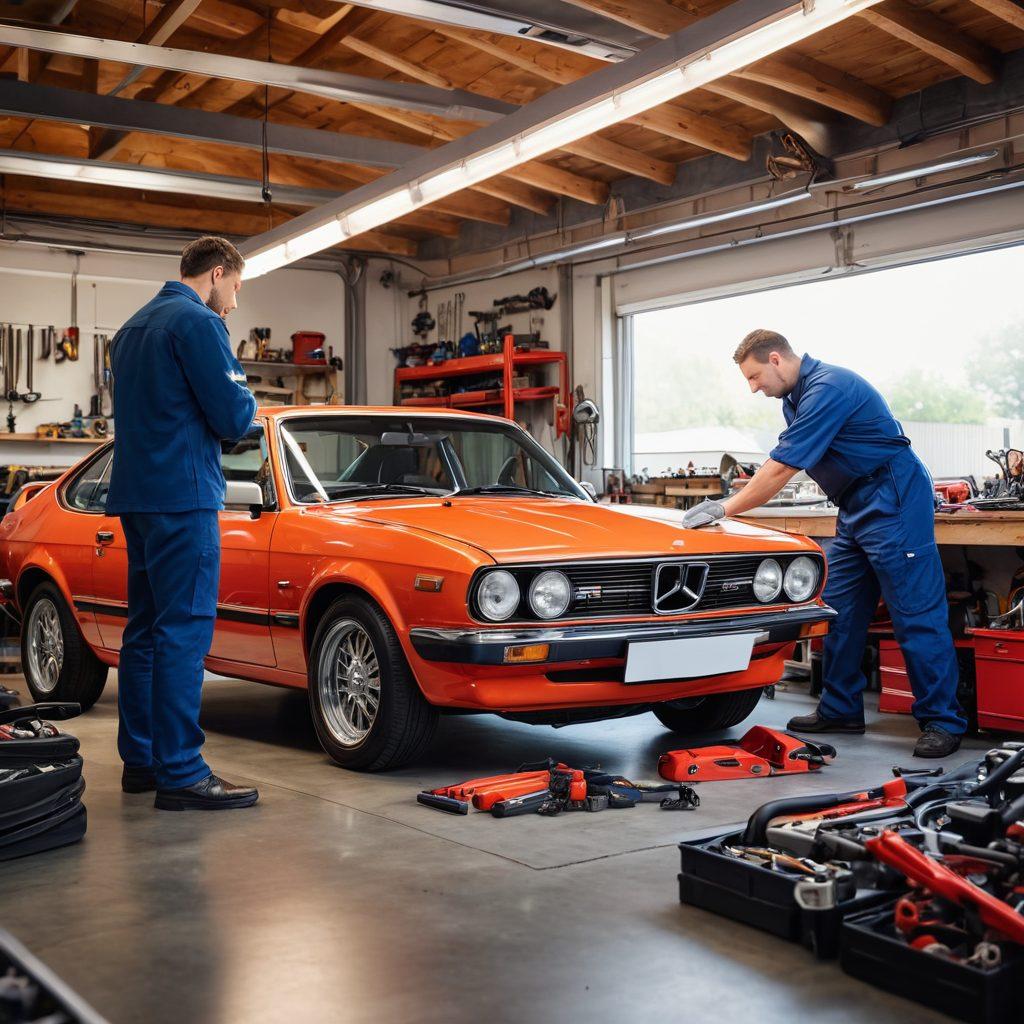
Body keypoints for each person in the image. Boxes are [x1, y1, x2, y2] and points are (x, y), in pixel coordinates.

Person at [683, 329, 966, 758]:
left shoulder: (828, 388)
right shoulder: (792, 400)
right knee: (838, 609)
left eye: (755, 376)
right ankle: (841, 708)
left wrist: (726, 508)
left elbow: (781, 468)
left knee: (915, 613)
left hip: (893, 496)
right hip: (854, 505)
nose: (753, 388)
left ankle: (942, 720)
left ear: (776, 359)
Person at [107, 236, 261, 809]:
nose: (235, 303)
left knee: (144, 631)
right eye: (237, 289)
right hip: (184, 496)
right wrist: (244, 401)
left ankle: (142, 761)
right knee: (184, 631)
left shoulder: (131, 328)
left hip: (138, 499)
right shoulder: (197, 324)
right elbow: (234, 418)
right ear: (217, 274)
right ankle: (182, 771)